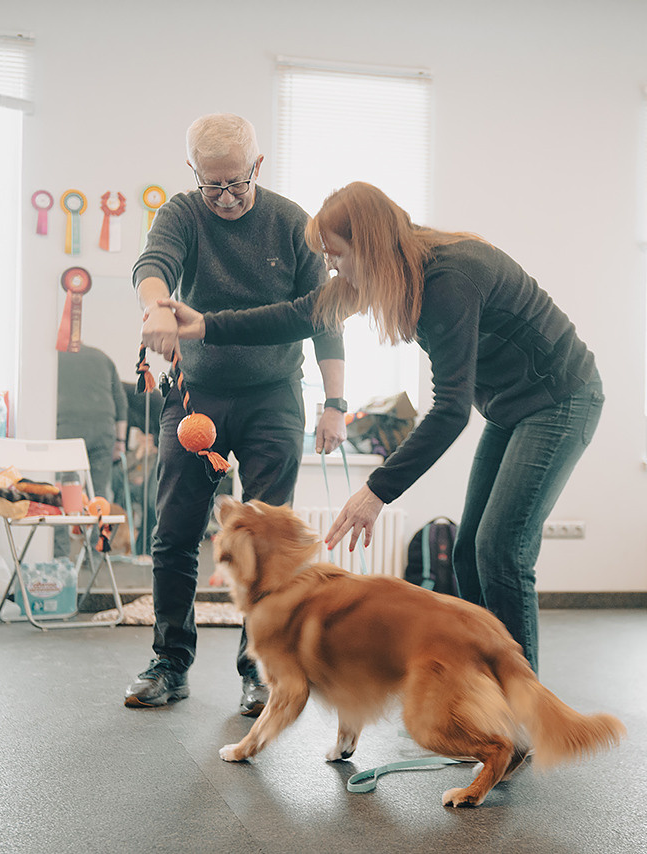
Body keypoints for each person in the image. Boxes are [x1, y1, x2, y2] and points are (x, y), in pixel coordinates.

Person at [154, 181, 603, 675]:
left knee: (500, 551)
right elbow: (301, 315)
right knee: (469, 553)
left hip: (561, 400)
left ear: (366, 247)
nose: (331, 266)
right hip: (508, 407)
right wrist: (206, 326)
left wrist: (376, 491)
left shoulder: (451, 279)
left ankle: (521, 707)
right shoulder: (386, 273)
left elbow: (450, 410)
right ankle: (487, 697)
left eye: (337, 254)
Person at [130, 113, 347, 714]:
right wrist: (157, 311)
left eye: (236, 184)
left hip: (274, 396)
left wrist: (335, 404)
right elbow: (153, 265)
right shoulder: (182, 212)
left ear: (257, 166)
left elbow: (323, 316)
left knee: (267, 538)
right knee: (175, 531)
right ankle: (170, 662)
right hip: (196, 396)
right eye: (211, 185)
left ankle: (258, 667)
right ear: (194, 173)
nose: (224, 198)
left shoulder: (291, 224)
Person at [55, 344, 128, 557]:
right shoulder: (102, 356)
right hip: (103, 430)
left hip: (67, 429)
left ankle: (60, 557)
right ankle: (97, 553)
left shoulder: (52, 358)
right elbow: (121, 403)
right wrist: (120, 441)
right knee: (98, 495)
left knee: (63, 495)